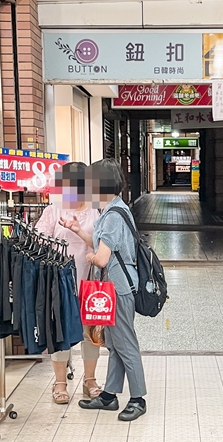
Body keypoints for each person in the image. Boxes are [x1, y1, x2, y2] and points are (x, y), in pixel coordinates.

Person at [63, 160, 148, 422]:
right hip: (112, 287)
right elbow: (103, 245)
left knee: (125, 343)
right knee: (113, 343)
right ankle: (110, 395)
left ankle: (138, 398)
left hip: (119, 287)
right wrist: (78, 231)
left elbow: (101, 258)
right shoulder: (112, 209)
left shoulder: (112, 215)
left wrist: (89, 258)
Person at [35, 162, 102, 404]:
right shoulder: (53, 211)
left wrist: (79, 232)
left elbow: (103, 247)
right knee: (60, 330)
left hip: (89, 281)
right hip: (59, 283)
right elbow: (38, 243)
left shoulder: (96, 212)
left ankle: (90, 380)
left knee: (90, 333)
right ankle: (60, 382)